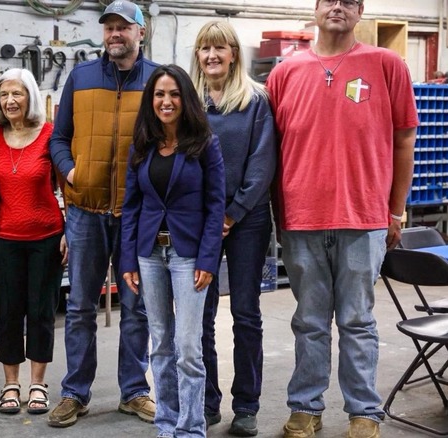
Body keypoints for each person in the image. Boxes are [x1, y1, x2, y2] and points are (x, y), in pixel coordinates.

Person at [266, 1, 418, 437]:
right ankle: (305, 408)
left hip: (364, 217)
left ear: (360, 10)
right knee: (309, 321)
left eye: (348, 1)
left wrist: (396, 209)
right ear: (316, 8)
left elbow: (405, 139)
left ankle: (364, 413)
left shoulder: (387, 64)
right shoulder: (285, 73)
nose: (338, 7)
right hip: (301, 218)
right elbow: (271, 151)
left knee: (357, 320)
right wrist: (278, 214)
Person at [47, 0, 159, 428]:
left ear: (140, 33)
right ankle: (75, 392)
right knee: (79, 307)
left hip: (137, 214)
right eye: (109, 27)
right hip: (85, 210)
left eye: (123, 28)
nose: (115, 34)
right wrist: (72, 169)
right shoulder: (81, 77)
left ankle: (134, 391)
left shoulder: (157, 81)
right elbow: (59, 138)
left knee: (136, 306)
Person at [120, 64, 225, 438]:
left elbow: (216, 206)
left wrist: (209, 259)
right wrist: (128, 259)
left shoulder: (205, 144)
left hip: (189, 257)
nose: (167, 101)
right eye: (160, 94)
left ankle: (192, 427)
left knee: (187, 346)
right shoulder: (142, 146)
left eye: (174, 94)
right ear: (151, 101)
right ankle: (167, 424)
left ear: (186, 99)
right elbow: (131, 206)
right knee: (161, 343)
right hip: (149, 253)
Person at [189, 20, 277, 437]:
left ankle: (247, 406)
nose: (211, 56)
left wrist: (233, 212)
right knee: (199, 315)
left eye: (219, 48)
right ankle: (207, 403)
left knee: (245, 312)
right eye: (205, 49)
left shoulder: (256, 101)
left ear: (233, 54)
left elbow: (263, 164)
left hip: (248, 219)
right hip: (199, 221)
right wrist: (206, 215)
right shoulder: (189, 102)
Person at [0, 68, 67, 416]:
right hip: (4, 238)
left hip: (47, 237)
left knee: (41, 311)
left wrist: (72, 233)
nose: (9, 101)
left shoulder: (51, 134)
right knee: (8, 312)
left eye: (17, 94)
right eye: (4, 95)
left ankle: (38, 383)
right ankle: (10, 384)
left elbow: (67, 188)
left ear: (31, 96)